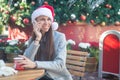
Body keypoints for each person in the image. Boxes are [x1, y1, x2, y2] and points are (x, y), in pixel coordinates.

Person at [17, 4, 73, 80]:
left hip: (57, 77)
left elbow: (60, 64)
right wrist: (37, 40)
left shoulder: (60, 37)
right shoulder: (33, 38)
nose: (46, 23)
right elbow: (27, 61)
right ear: (35, 22)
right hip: (38, 76)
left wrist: (35, 64)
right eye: (42, 19)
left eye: (49, 19)